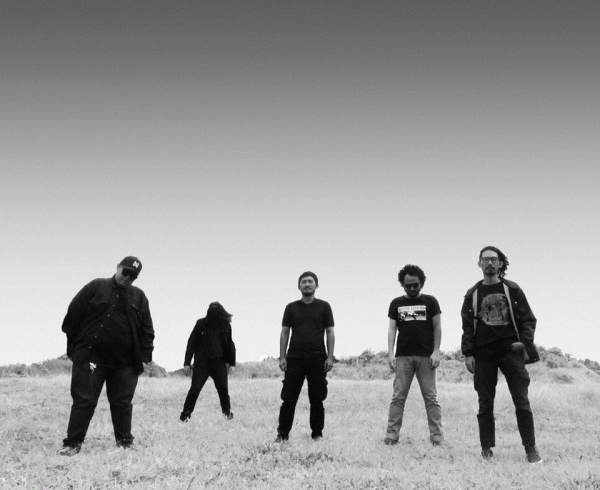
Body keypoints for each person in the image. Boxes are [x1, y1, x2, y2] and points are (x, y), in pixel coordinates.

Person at [59, 256, 154, 456]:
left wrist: (145, 357)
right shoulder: (96, 287)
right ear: (118, 267)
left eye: (133, 276)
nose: (127, 277)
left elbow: (147, 329)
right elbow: (73, 314)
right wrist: (76, 348)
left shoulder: (139, 297)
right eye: (125, 272)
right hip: (91, 358)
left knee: (122, 404)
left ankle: (125, 443)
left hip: (125, 363)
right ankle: (72, 444)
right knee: (84, 401)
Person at [461, 246, 542, 463]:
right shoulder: (472, 294)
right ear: (479, 263)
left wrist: (524, 343)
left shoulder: (512, 289)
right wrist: (468, 353)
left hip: (510, 352)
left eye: (493, 259)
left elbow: (528, 319)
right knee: (485, 403)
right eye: (485, 259)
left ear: (499, 263)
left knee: (521, 401)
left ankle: (531, 449)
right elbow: (467, 326)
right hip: (483, 355)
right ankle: (486, 448)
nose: (489, 263)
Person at [384, 265, 443, 446]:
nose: (411, 288)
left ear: (421, 283)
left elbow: (437, 327)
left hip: (426, 357)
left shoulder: (431, 301)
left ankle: (437, 437)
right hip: (403, 357)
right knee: (398, 397)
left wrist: (436, 351)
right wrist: (390, 353)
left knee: (431, 398)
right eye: (407, 285)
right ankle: (391, 435)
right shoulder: (396, 303)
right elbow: (392, 329)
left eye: (415, 285)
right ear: (402, 284)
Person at [275, 272, 335, 442]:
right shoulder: (291, 308)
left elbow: (330, 332)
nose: (307, 284)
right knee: (288, 399)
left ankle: (317, 434)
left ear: (316, 285)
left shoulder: (324, 307)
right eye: (304, 282)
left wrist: (330, 357)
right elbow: (285, 332)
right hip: (294, 358)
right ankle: (282, 435)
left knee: (317, 399)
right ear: (299, 286)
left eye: (310, 281)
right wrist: (282, 357)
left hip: (317, 359)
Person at [180, 302, 236, 422]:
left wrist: (232, 363)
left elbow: (230, 344)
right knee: (195, 389)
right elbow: (191, 342)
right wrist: (187, 362)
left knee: (223, 390)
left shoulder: (225, 325)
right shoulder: (200, 324)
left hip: (219, 362)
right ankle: (185, 415)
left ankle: (227, 414)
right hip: (202, 363)